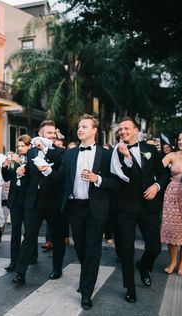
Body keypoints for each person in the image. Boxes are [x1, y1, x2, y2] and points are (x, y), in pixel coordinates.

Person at [44, 114, 117, 310]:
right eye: (79, 126)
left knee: (93, 250)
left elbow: (116, 182)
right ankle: (87, 277)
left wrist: (97, 179)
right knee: (81, 248)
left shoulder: (107, 155)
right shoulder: (70, 154)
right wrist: (46, 171)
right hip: (75, 207)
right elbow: (60, 178)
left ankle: (86, 292)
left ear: (94, 131)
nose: (80, 129)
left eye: (84, 126)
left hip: (95, 208)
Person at [111, 117, 169, 304]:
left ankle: (144, 266)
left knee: (154, 247)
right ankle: (130, 287)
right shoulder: (115, 153)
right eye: (120, 129)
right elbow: (117, 179)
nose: (123, 132)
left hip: (148, 205)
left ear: (135, 130)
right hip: (125, 207)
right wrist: (126, 158)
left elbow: (162, 173)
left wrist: (156, 187)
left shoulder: (150, 149)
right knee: (126, 249)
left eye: (127, 128)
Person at [12, 120, 65, 285]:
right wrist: (21, 172)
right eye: (49, 133)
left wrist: (46, 150)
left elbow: (61, 177)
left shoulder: (60, 152)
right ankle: (21, 272)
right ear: (40, 134)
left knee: (57, 237)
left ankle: (57, 268)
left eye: (54, 133)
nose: (53, 135)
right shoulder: (31, 152)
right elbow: (29, 175)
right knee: (29, 237)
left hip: (53, 202)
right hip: (33, 201)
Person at [161, 131, 182, 276]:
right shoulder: (172, 155)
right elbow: (157, 168)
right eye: (179, 139)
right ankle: (173, 261)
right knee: (172, 229)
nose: (181, 142)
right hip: (172, 195)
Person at [1, 134, 32, 272]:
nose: (20, 148)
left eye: (22, 146)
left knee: (29, 232)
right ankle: (13, 261)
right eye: (18, 146)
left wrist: (19, 162)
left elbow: (32, 176)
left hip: (28, 200)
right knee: (15, 232)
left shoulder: (33, 159)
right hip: (15, 201)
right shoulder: (13, 161)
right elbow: (7, 178)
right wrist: (4, 167)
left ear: (29, 146)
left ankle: (32, 255)